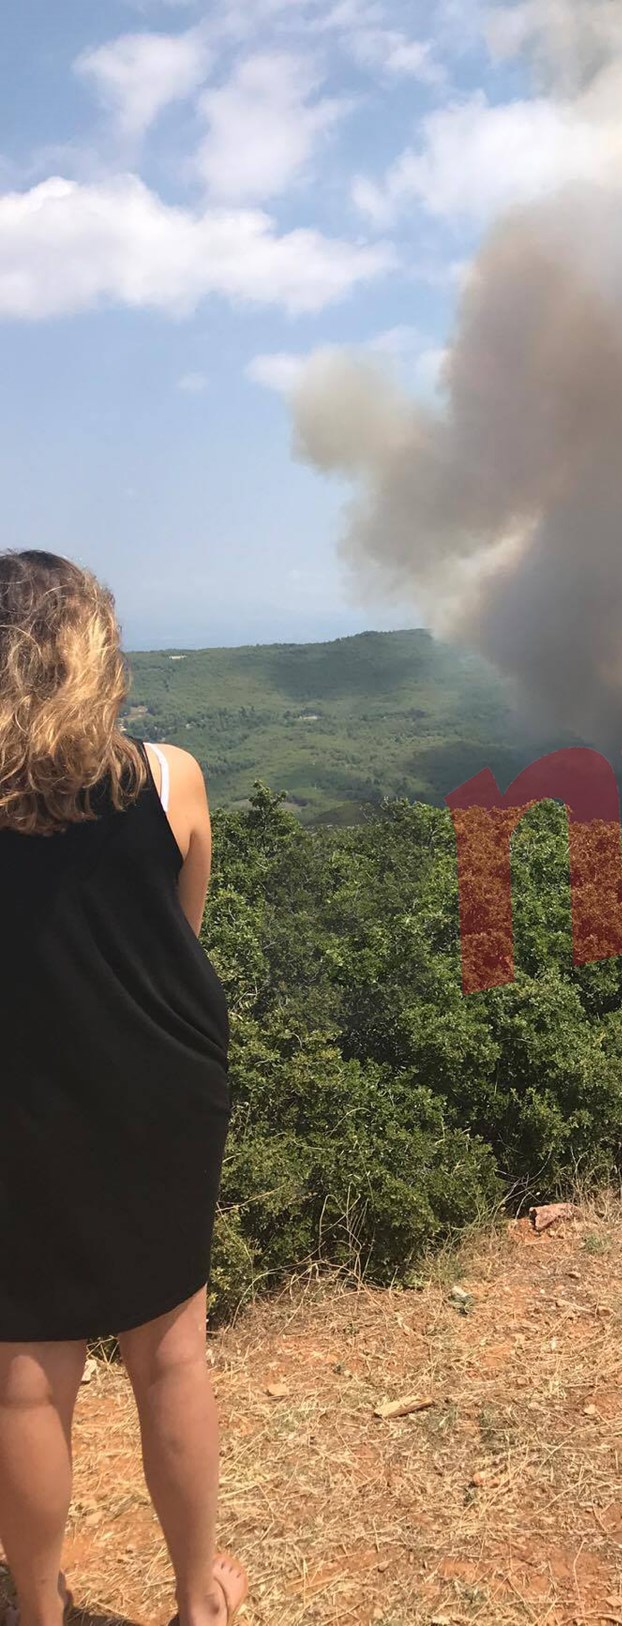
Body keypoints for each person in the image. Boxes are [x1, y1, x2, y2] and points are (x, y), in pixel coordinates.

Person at [0, 552, 247, 1626]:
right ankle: (198, 1599)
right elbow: (178, 934)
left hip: (20, 1102)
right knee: (172, 1353)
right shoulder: (172, 778)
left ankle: (36, 1609)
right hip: (160, 1094)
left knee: (25, 1376)